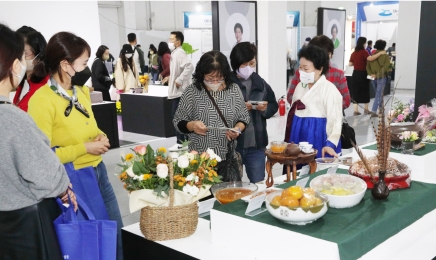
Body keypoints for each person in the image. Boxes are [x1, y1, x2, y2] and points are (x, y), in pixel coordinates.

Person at [27, 31, 124, 260]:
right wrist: (84, 148)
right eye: (83, 63)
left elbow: (91, 126)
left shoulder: (80, 91)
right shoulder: (41, 101)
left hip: (99, 171)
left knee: (115, 234)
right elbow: (43, 157)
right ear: (65, 64)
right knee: (91, 243)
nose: (86, 68)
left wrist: (101, 137)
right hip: (73, 180)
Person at [0, 23, 77, 260]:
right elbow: (47, 175)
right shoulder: (12, 118)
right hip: (26, 225)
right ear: (14, 65)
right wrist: (64, 187)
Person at [173, 50, 250, 171]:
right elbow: (178, 122)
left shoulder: (233, 90)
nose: (215, 82)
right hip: (199, 160)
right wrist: (192, 125)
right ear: (202, 74)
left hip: (227, 158)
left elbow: (244, 117)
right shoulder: (192, 91)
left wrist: (237, 129)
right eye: (210, 78)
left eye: (219, 78)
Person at [230, 42, 278, 183]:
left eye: (252, 63)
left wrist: (265, 109)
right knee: (232, 185)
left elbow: (273, 104)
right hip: (233, 145)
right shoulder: (226, 84)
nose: (249, 68)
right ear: (236, 64)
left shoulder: (260, 83)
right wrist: (239, 108)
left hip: (256, 145)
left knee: (258, 183)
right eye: (244, 64)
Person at [287, 35, 350, 139]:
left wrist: (327, 106)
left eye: (326, 53)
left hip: (329, 124)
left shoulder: (337, 74)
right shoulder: (301, 73)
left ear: (331, 54)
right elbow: (291, 96)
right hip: (304, 123)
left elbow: (346, 100)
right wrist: (306, 105)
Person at [288, 45, 342, 158]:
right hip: (298, 134)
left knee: (316, 170)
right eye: (300, 67)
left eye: (306, 68)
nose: (301, 71)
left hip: (318, 135)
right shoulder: (300, 86)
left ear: (320, 68)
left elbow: (335, 121)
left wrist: (330, 144)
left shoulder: (330, 90)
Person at [168, 31, 194, 143]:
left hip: (180, 93)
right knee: (178, 118)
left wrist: (179, 80)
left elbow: (189, 66)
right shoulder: (175, 53)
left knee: (178, 119)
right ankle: (182, 142)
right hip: (176, 92)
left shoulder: (179, 53)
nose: (169, 41)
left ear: (178, 42)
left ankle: (181, 143)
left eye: (172, 39)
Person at [13, 30, 49, 111]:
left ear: (39, 56)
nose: (17, 59)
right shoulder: (23, 82)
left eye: (24, 54)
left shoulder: (46, 86)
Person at [367, 39, 390, 116]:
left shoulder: (372, 55)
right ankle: (373, 111)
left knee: (378, 93)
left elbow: (367, 67)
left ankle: (381, 108)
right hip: (382, 77)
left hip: (373, 78)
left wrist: (371, 74)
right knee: (378, 94)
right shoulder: (385, 56)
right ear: (384, 46)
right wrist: (378, 75)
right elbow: (386, 67)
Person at [349, 37, 370, 115]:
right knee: (365, 90)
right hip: (363, 74)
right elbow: (369, 59)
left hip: (355, 74)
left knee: (355, 91)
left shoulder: (353, 53)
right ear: (363, 43)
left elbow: (350, 64)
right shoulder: (364, 52)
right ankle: (366, 109)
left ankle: (356, 110)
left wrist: (356, 63)